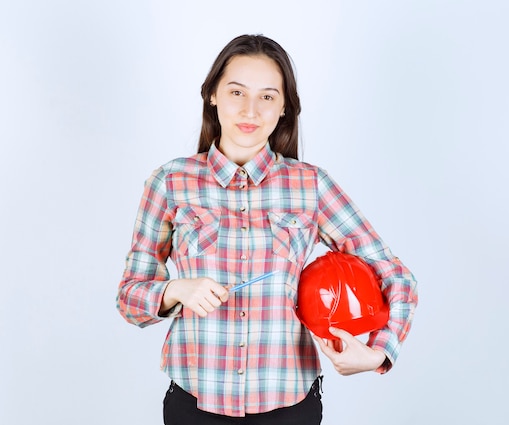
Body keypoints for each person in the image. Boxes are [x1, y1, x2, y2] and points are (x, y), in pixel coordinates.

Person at [116, 34, 418, 425]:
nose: (250, 110)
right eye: (237, 92)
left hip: (290, 408)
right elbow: (130, 297)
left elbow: (394, 273)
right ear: (212, 95)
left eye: (268, 97)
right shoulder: (170, 182)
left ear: (284, 110)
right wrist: (175, 290)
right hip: (195, 405)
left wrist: (380, 352)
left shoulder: (311, 186)